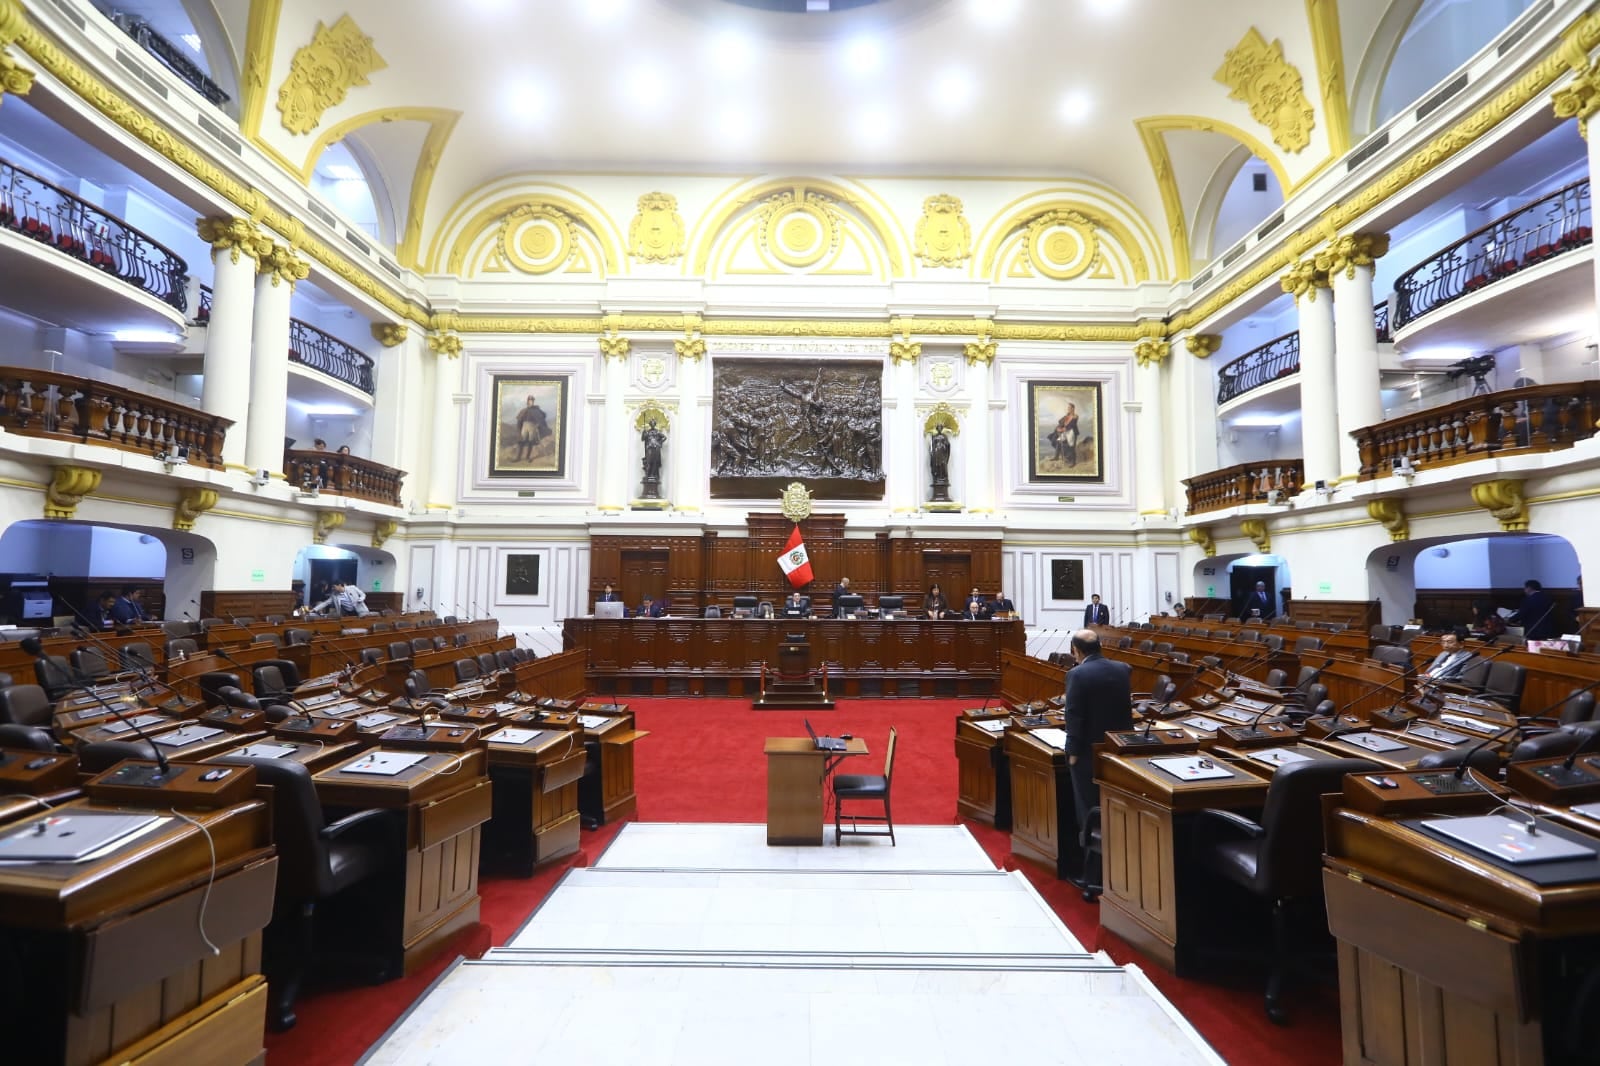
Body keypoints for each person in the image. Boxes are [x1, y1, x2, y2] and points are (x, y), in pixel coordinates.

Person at [1063, 629, 1132, 839]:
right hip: (1119, 748)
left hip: (1088, 752)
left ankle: (1091, 865)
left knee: (1088, 809)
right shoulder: (1123, 669)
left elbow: (1074, 716)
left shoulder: (1076, 674)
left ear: (1076, 651)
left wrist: (1072, 753)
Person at [515, 395, 549, 462]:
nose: (531, 402)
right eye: (530, 401)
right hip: (525, 426)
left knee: (531, 442)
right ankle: (518, 458)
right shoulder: (524, 410)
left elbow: (544, 415)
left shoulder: (536, 410)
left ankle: (527, 457)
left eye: (532, 401)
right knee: (521, 441)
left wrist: (538, 424)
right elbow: (519, 420)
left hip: (532, 427)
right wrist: (519, 429)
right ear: (527, 402)